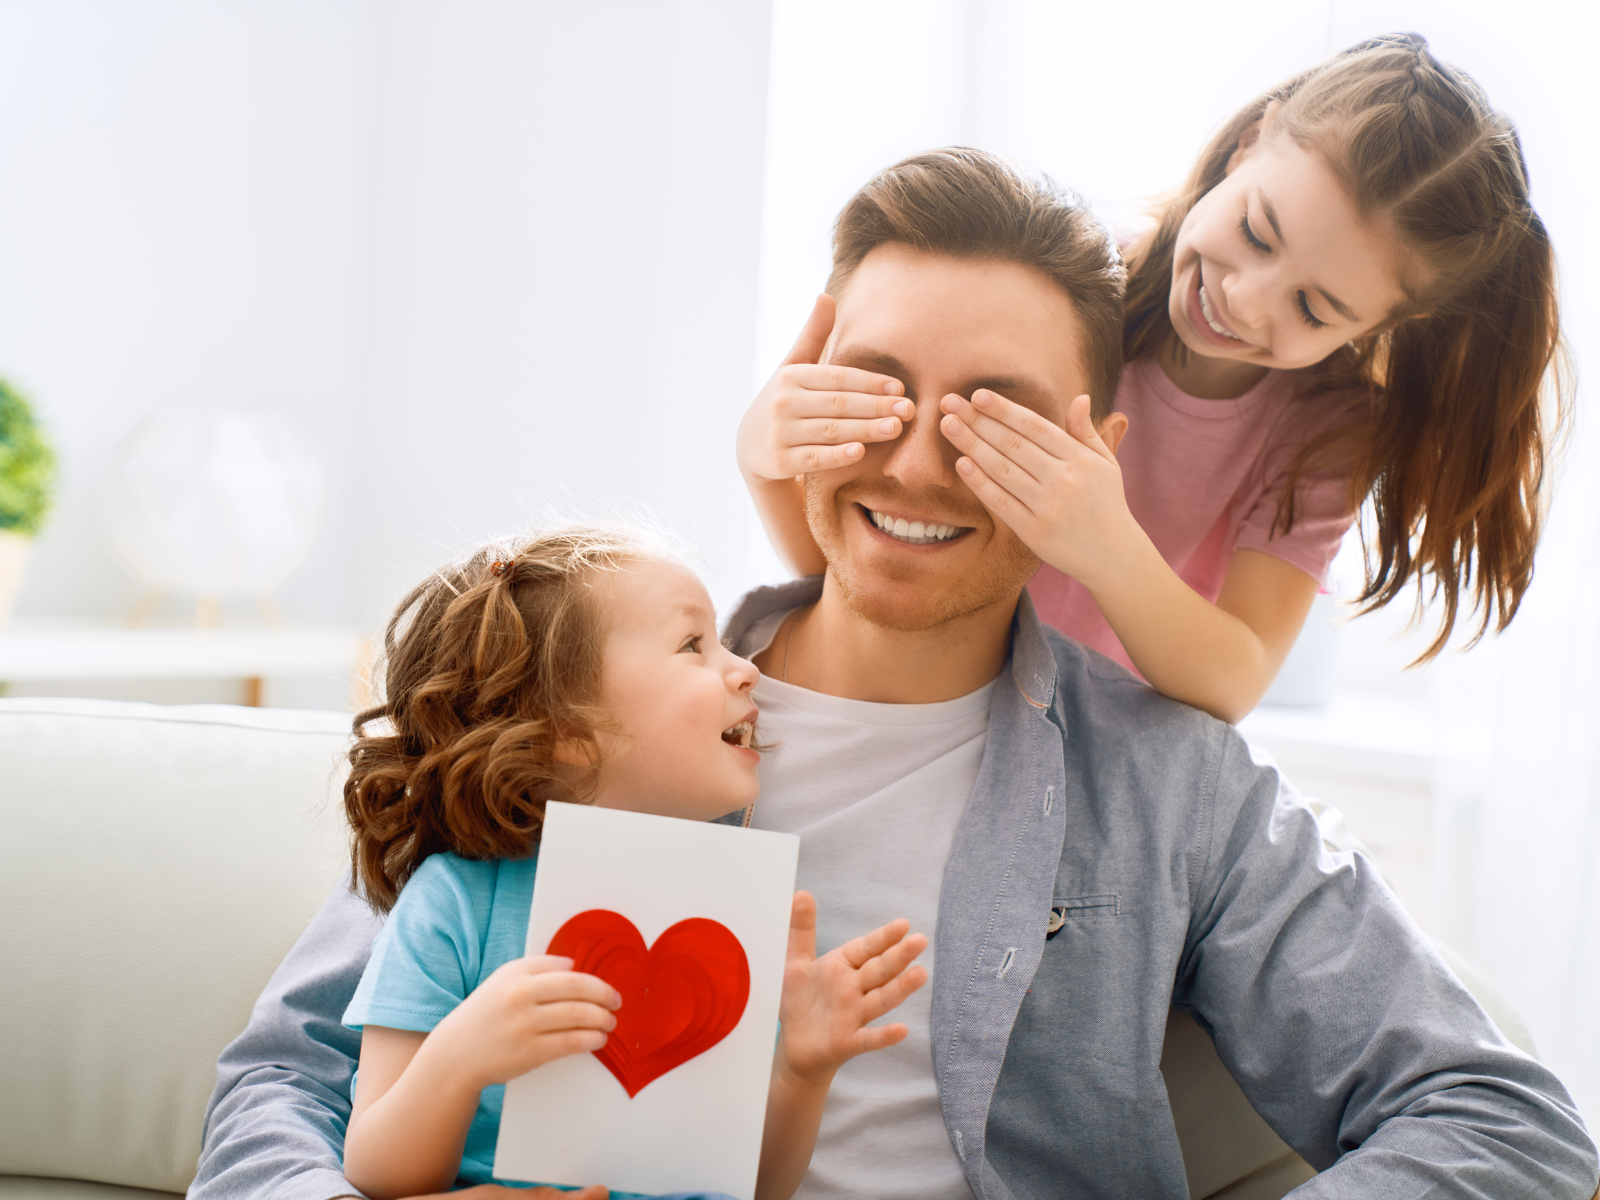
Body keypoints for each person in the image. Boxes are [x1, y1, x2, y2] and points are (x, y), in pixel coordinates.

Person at [194, 151, 1598, 1200]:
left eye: (990, 418)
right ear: (804, 379)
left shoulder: (1176, 789)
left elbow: (1501, 1125)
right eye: (874, 387)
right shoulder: (577, 711)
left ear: (1090, 457)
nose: (918, 460)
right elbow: (284, 1086)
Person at [737, 34, 1567, 722]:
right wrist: (760, 454)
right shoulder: (1065, 301)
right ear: (1251, 143)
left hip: (1093, 757)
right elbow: (850, 565)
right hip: (932, 706)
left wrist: (1105, 544)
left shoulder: (1325, 430)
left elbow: (1232, 681)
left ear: (1381, 327)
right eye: (1257, 231)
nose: (1244, 300)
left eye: (1314, 309)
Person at [336, 528, 927, 1200]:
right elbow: (377, 1173)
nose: (747, 668)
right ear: (571, 733)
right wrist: (458, 1058)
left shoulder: (729, 909)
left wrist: (801, 1070)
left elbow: (756, 1190)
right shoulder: (455, 904)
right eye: (692, 646)